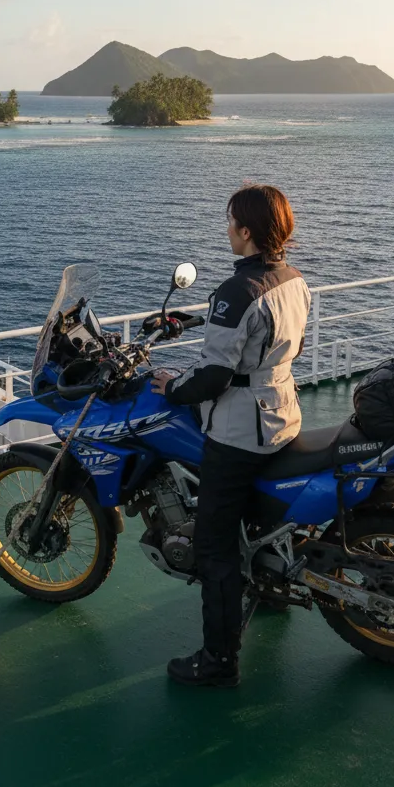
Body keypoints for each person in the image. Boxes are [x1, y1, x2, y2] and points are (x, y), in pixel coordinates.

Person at [151, 184, 311, 687]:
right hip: (283, 417)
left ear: (246, 231)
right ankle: (270, 583)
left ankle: (218, 661)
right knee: (258, 516)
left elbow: (214, 377)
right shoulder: (294, 280)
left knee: (213, 547)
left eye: (230, 222)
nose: (226, 230)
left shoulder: (236, 292)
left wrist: (172, 387)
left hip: (241, 433)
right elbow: (291, 347)